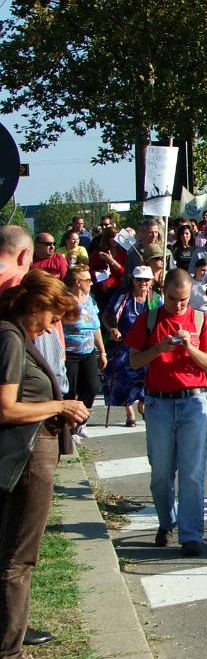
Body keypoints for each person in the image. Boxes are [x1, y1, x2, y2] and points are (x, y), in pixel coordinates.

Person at [0, 269, 88, 656]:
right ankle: (8, 649)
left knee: (15, 556)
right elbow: (6, 408)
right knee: (19, 558)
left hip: (31, 453)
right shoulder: (11, 338)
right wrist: (59, 405)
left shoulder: (15, 335)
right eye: (51, 319)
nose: (50, 328)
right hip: (26, 457)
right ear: (35, 306)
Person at [126, 268, 207, 557]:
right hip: (159, 404)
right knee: (161, 474)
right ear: (162, 291)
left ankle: (191, 535)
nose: (178, 305)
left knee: (192, 473)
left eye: (184, 299)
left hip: (192, 402)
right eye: (172, 298)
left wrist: (189, 346)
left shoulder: (203, 320)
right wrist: (158, 348)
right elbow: (133, 361)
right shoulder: (149, 318)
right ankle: (166, 522)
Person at [101, 266, 161, 427]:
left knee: (146, 378)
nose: (143, 282)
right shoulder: (121, 296)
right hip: (123, 344)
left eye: (146, 279)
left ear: (151, 281)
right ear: (133, 280)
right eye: (139, 279)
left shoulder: (156, 299)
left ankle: (142, 403)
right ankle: (129, 412)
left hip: (146, 347)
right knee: (122, 378)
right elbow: (105, 316)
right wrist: (111, 329)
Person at [63, 267, 107, 439]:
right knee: (70, 390)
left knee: (91, 386)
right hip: (69, 352)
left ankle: (81, 420)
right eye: (87, 280)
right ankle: (70, 427)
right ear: (77, 282)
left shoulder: (90, 300)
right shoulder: (65, 301)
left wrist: (102, 352)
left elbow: (96, 326)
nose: (91, 283)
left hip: (88, 351)